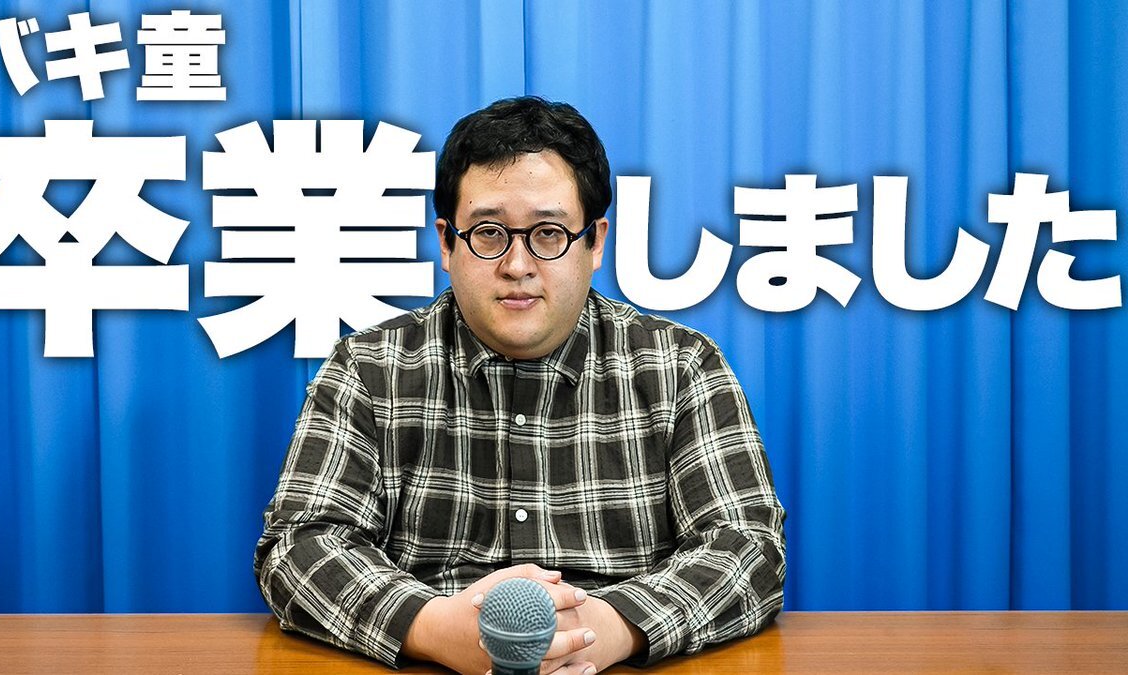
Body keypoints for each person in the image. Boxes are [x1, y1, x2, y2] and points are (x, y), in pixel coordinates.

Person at [254, 97, 785, 675]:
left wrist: (615, 627)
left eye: (549, 233)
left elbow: (748, 545)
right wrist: (431, 628)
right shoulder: (369, 368)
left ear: (595, 242)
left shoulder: (679, 366)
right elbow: (299, 545)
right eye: (488, 233)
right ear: (446, 243)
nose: (517, 264)